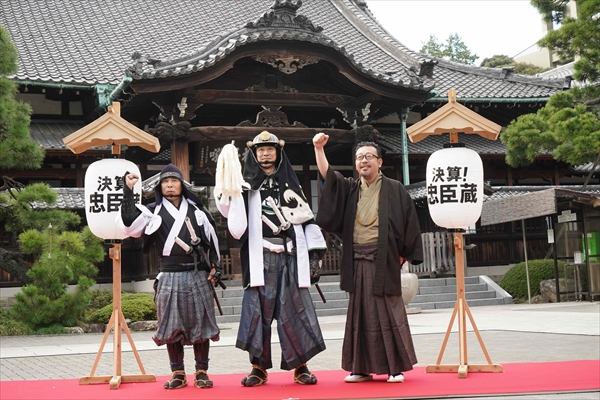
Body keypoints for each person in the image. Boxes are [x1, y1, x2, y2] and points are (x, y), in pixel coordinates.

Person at [215, 130, 327, 386]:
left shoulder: (290, 183)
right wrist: (226, 185)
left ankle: (301, 367)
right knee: (257, 314)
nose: (265, 154)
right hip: (260, 258)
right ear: (254, 154)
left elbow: (307, 219)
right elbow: (230, 216)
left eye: (270, 149)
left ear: (278, 153)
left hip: (290, 256)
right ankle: (258, 368)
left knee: (297, 311)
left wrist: (315, 256)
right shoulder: (245, 185)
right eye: (260, 150)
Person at [312, 131, 423, 383]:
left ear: (379, 162)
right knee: (359, 314)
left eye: (369, 157)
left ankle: (395, 367)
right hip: (357, 260)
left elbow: (409, 224)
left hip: (384, 259)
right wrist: (319, 150)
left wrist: (403, 255)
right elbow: (329, 176)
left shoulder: (395, 190)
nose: (364, 161)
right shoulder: (351, 189)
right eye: (359, 157)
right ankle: (360, 368)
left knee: (388, 314)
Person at [117, 163, 221, 390]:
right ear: (160, 186)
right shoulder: (151, 211)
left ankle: (202, 371)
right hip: (169, 275)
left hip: (197, 274)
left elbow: (211, 241)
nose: (170, 185)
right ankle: (178, 373)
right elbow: (128, 225)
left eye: (174, 181)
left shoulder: (197, 211)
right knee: (172, 326)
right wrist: (128, 190)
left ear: (182, 185)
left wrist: (216, 266)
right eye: (165, 182)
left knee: (200, 324)